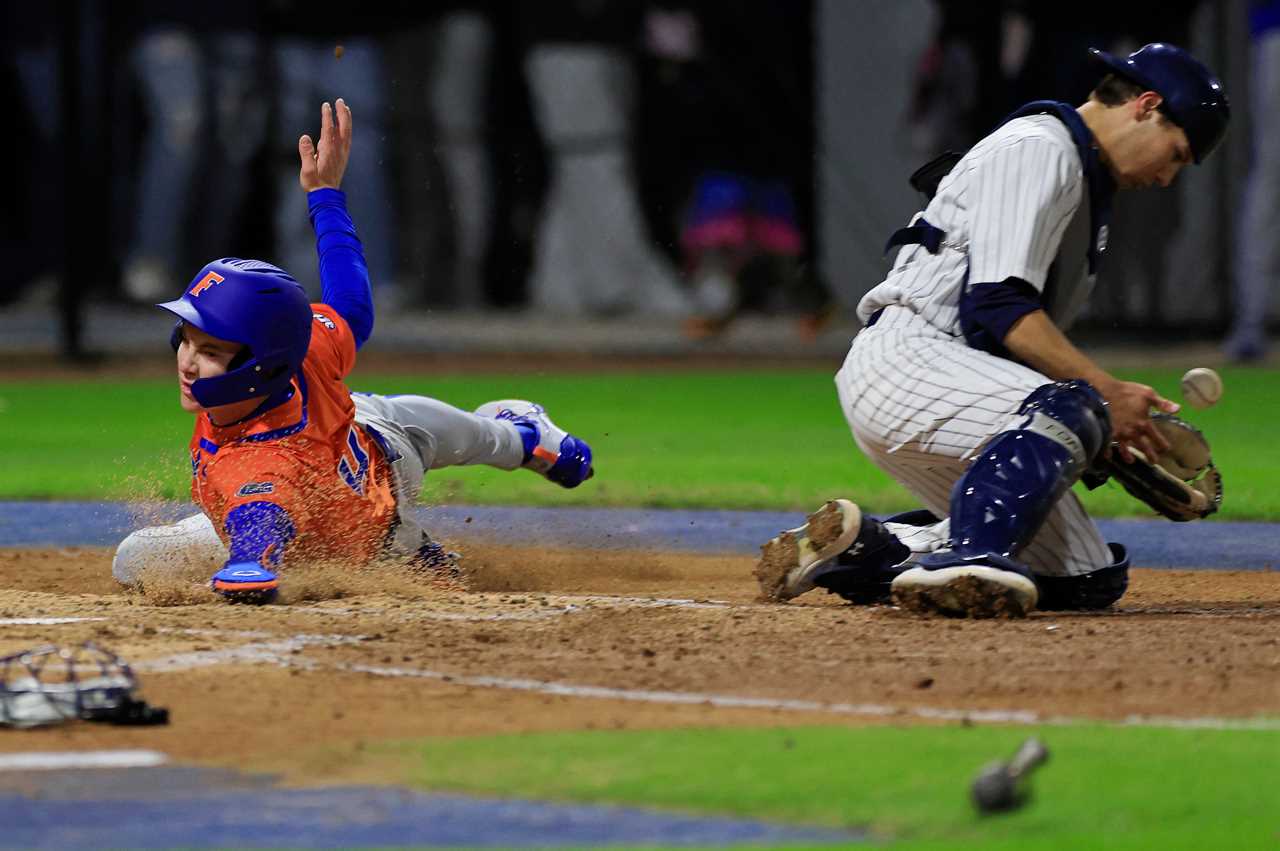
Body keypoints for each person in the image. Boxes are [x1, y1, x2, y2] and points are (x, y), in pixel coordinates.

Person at [754, 43, 1229, 617]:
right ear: (1146, 105)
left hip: (955, 380)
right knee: (1074, 407)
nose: (1168, 176)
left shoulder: (1082, 185)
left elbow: (1014, 353)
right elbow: (999, 306)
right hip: (909, 361)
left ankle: (870, 550)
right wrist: (1105, 398)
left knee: (1085, 579)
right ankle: (967, 553)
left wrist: (1112, 446)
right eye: (1177, 154)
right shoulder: (1041, 147)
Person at [112, 99, 594, 603]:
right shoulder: (303, 347)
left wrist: (249, 566)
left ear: (262, 360)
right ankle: (454, 514)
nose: (187, 361)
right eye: (187, 339)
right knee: (137, 559)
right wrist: (324, 196)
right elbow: (351, 306)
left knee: (445, 435)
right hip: (350, 457)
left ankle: (521, 437)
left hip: (378, 490)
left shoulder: (265, 462)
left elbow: (262, 518)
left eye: (210, 349)